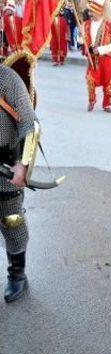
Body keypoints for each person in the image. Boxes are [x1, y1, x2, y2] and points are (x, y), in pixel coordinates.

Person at [0, 59, 37, 302]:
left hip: (6, 173)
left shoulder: (8, 79)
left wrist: (24, 167)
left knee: (12, 222)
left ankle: (17, 275)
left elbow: (30, 126)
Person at [79, 0, 111, 112]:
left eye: (92, 12)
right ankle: (92, 100)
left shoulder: (108, 26)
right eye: (89, 11)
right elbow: (81, 41)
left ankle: (107, 104)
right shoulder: (85, 25)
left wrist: (99, 50)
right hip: (92, 59)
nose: (90, 14)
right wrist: (80, 37)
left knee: (108, 82)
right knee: (90, 79)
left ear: (99, 12)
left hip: (106, 59)